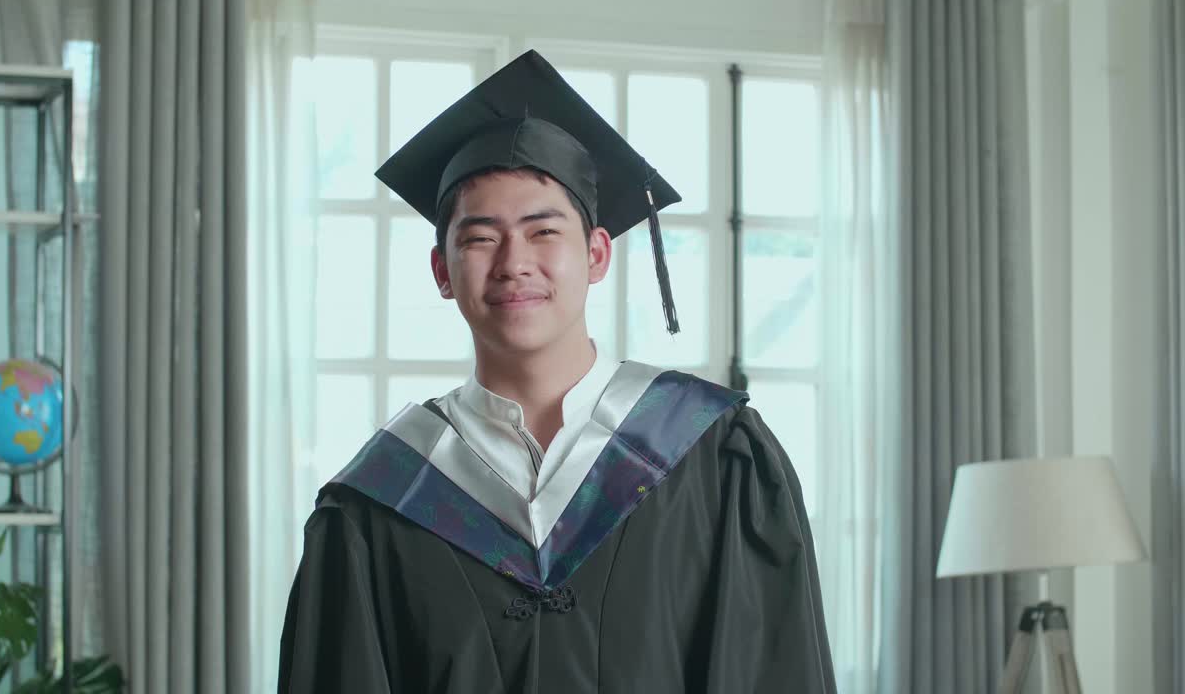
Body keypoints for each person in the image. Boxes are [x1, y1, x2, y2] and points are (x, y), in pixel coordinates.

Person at [278, 49, 837, 693]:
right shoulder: (377, 503)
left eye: (544, 232)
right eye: (481, 238)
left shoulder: (713, 461)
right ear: (441, 271)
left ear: (597, 255)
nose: (514, 262)